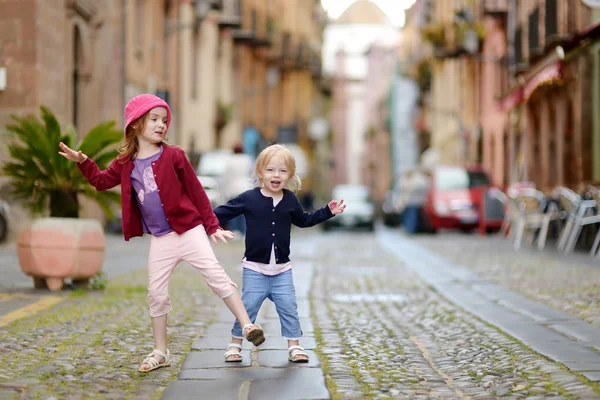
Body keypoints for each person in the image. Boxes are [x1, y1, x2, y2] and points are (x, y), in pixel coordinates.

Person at [58, 94, 264, 373]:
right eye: (153, 119)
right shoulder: (125, 162)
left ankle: (247, 324)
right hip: (161, 239)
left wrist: (212, 225)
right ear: (135, 125)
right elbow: (101, 181)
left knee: (216, 275)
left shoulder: (174, 155)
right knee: (156, 293)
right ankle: (160, 351)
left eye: (164, 120)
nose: (161, 125)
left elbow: (196, 191)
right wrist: (83, 161)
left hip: (189, 231)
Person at [213, 144, 346, 363]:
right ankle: (235, 344)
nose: (276, 175)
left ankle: (294, 346)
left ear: (290, 176)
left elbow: (303, 220)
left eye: (283, 171)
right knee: (247, 309)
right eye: (270, 170)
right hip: (255, 269)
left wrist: (327, 212)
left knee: (289, 307)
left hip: (282, 270)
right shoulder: (249, 198)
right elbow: (222, 212)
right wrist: (205, 222)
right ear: (259, 173)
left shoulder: (290, 200)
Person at [219, 144, 253, 236]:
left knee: (233, 210)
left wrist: (223, 190)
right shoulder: (247, 159)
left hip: (233, 188)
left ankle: (234, 231)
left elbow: (226, 177)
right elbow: (251, 173)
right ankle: (244, 230)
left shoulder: (230, 161)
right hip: (245, 187)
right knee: (244, 212)